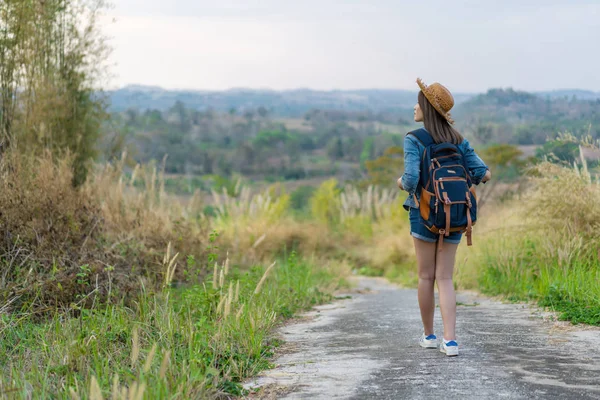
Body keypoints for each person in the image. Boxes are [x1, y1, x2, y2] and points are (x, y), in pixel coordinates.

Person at [397, 78, 491, 357]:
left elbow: (412, 178)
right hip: (456, 215)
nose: (415, 106)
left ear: (427, 107)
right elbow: (484, 173)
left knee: (426, 276)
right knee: (445, 278)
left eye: (418, 101)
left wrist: (401, 182)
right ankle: (451, 342)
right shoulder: (459, 140)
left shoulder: (414, 138)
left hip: (424, 213)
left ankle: (429, 336)